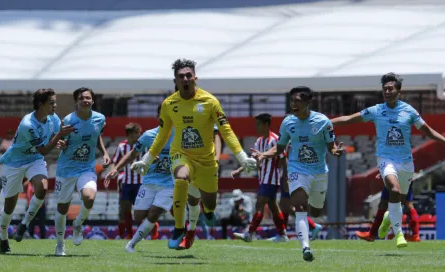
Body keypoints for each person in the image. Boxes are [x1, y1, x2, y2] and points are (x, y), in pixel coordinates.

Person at [131, 59, 257, 250]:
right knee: (181, 178)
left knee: (210, 203)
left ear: (195, 77)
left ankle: (208, 211)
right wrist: (146, 159)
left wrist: (241, 157)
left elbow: (226, 131)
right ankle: (179, 228)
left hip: (206, 161)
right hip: (181, 155)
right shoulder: (169, 104)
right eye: (181, 76)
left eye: (189, 75)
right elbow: (162, 135)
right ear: (175, 80)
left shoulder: (210, 101)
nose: (185, 79)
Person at [331, 72, 445, 248]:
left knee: (399, 200)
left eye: (390, 89)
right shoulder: (376, 110)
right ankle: (399, 235)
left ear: (398, 90)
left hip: (406, 162)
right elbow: (349, 119)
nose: (387, 92)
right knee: (394, 188)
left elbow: (427, 130)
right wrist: (326, 122)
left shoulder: (409, 111)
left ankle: (387, 219)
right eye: (385, 89)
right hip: (385, 159)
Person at [0, 88, 74, 254]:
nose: (55, 105)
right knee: (9, 207)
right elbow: (44, 150)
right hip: (14, 163)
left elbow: (56, 138)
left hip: (34, 160)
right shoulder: (28, 124)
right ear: (41, 104)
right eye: (51, 102)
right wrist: (59, 136)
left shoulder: (53, 119)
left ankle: (24, 224)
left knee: (43, 187)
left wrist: (61, 141)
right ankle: (3, 237)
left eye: (55, 102)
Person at [275, 86, 344, 262]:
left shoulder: (323, 121)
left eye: (297, 101)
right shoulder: (288, 122)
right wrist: (263, 155)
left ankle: (313, 226)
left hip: (319, 172)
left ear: (308, 102)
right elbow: (280, 148)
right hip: (297, 169)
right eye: (291, 101)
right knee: (299, 207)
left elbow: (331, 146)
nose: (293, 104)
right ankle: (306, 247)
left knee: (315, 210)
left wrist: (335, 151)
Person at [105, 104, 174, 252]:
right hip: (149, 182)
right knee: (138, 215)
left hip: (169, 182)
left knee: (154, 213)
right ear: (158, 117)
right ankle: (159, 210)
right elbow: (132, 154)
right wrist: (116, 169)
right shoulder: (148, 136)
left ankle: (131, 244)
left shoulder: (179, 135)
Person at [53, 87, 111, 256]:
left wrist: (105, 152)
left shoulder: (100, 119)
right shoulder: (68, 120)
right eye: (81, 98)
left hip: (86, 167)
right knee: (62, 208)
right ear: (76, 102)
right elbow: (61, 141)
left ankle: (78, 224)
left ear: (93, 101)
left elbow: (97, 135)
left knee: (89, 197)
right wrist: (61, 144)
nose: (85, 100)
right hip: (66, 169)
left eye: (88, 98)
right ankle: (59, 244)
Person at [232, 113, 288, 243]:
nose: (257, 127)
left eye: (259, 124)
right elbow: (253, 161)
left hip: (272, 178)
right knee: (273, 206)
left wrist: (285, 178)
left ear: (267, 124)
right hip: (263, 178)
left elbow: (283, 158)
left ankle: (250, 233)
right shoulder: (259, 141)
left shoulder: (275, 139)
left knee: (260, 203)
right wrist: (239, 170)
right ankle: (283, 235)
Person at [355, 180, 420, 242]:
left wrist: (384, 170)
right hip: (406, 175)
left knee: (384, 204)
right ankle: (416, 235)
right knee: (408, 204)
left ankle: (371, 234)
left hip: (394, 175)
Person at [111, 122, 144, 239]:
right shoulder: (121, 146)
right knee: (125, 209)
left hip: (140, 183)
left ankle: (142, 235)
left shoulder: (142, 145)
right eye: (137, 133)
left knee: (140, 211)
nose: (139, 135)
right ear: (131, 134)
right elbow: (115, 162)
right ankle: (127, 234)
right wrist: (114, 174)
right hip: (126, 183)